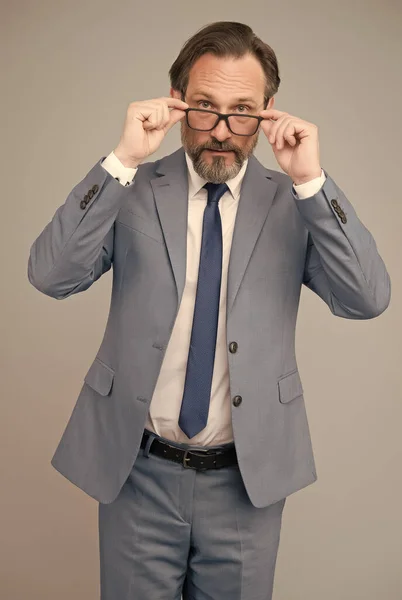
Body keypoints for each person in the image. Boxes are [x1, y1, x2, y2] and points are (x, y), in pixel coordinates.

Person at [28, 20, 391, 600]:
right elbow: (51, 275)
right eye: (204, 107)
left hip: (246, 482)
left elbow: (367, 297)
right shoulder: (134, 189)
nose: (222, 130)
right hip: (136, 473)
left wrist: (313, 180)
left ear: (268, 111)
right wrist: (122, 159)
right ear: (177, 103)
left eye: (242, 110)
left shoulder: (295, 202)